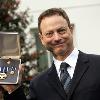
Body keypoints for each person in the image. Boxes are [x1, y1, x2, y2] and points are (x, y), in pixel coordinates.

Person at [2, 7, 100, 100]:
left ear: (71, 30)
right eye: (49, 33)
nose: (56, 38)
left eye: (61, 30)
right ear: (41, 39)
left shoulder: (97, 65)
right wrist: (13, 89)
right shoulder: (38, 84)